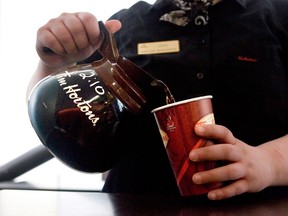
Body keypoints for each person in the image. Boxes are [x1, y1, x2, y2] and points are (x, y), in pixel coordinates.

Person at [27, 0, 288, 200]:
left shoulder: (278, 16)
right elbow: (44, 109)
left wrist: (269, 162)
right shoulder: (123, 26)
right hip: (131, 203)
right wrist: (53, 64)